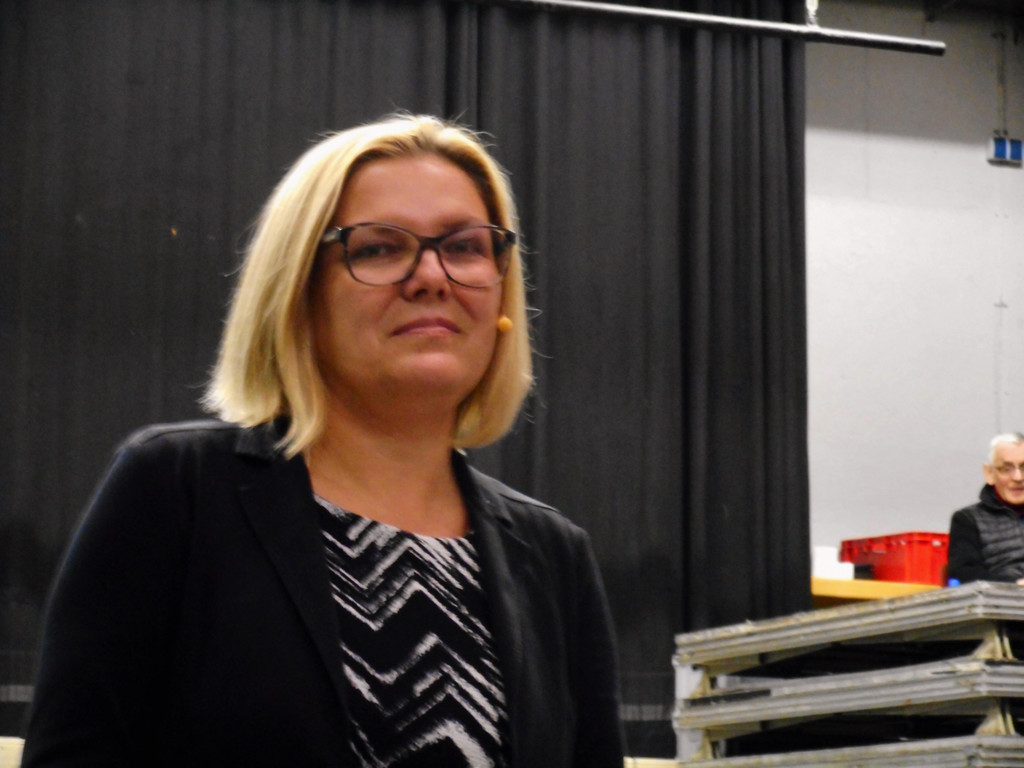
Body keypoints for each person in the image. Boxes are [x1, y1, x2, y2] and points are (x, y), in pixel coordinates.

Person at [22, 115, 623, 768]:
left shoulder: (554, 555)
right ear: (299, 293)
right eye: (379, 248)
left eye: (465, 247)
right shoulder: (175, 491)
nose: (432, 276)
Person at [947, 432, 1024, 585]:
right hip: (1000, 597)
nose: (1018, 477)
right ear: (990, 474)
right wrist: (1014, 583)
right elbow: (963, 574)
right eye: (1006, 469)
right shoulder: (968, 519)